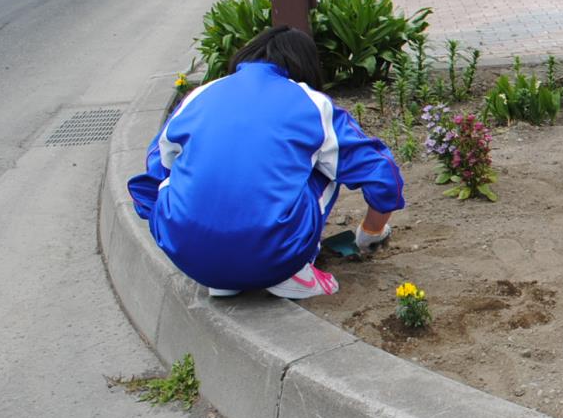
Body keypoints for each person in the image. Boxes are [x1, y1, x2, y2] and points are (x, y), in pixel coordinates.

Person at [127, 27, 405, 300]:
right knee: (327, 163)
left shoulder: (200, 95)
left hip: (188, 255)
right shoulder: (311, 103)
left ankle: (223, 271)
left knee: (175, 175)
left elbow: (152, 175)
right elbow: (380, 173)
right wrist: (371, 232)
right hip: (274, 253)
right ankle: (292, 271)